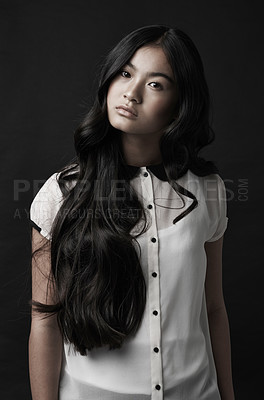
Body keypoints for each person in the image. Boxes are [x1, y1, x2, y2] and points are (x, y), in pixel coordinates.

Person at [28, 24, 235, 400]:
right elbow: (45, 320)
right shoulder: (60, 194)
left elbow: (214, 307)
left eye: (156, 84)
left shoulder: (207, 190)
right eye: (125, 73)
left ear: (180, 103)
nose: (131, 93)